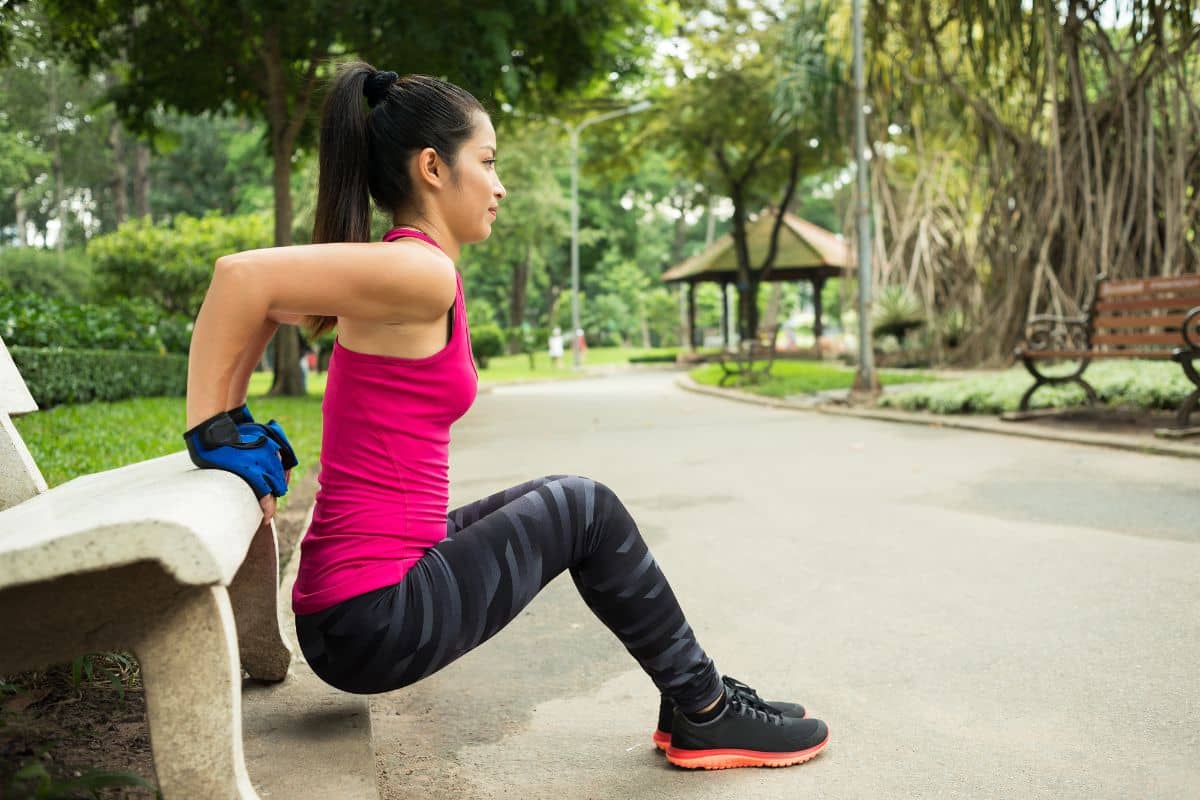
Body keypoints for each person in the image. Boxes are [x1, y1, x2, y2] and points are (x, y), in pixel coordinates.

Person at [182, 62, 828, 771]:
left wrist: (232, 420)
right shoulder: (420, 272)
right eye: (486, 163)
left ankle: (690, 698)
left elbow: (268, 304)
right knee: (586, 507)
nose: (499, 185)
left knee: (567, 499)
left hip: (359, 607)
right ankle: (706, 712)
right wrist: (219, 429)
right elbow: (242, 280)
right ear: (433, 167)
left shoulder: (409, 272)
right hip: (372, 621)